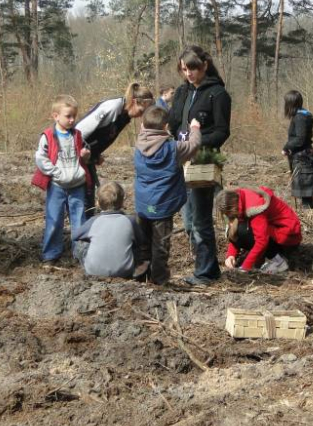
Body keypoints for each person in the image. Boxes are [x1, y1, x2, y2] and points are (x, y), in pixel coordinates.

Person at [168, 45, 232, 287]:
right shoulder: (182, 92)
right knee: (187, 221)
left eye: (193, 68)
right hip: (180, 161)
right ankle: (208, 267)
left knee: (200, 220)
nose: (189, 73)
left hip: (203, 162)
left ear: (204, 65)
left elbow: (222, 131)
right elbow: (174, 123)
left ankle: (205, 272)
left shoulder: (218, 94)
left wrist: (198, 144)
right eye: (184, 69)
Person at [133, 106, 202, 285]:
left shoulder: (138, 145)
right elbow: (193, 146)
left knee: (143, 243)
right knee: (160, 246)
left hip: (142, 204)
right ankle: (160, 281)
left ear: (143, 126)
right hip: (162, 207)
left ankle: (141, 277)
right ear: (165, 127)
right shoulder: (174, 148)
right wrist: (194, 128)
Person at [76, 83, 155, 211]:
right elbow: (79, 132)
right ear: (134, 102)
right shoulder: (112, 108)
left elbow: (100, 137)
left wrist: (96, 155)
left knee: (89, 203)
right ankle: (82, 230)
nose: (141, 116)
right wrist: (83, 152)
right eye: (141, 111)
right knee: (83, 204)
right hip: (77, 158)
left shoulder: (124, 116)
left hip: (88, 158)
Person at [32, 95, 91, 263]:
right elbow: (41, 159)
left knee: (79, 221)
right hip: (57, 185)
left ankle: (80, 254)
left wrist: (86, 156)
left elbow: (83, 157)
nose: (72, 120)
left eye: (74, 116)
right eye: (68, 116)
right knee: (54, 220)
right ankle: (51, 254)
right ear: (55, 116)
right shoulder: (48, 136)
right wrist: (56, 173)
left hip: (77, 185)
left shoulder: (78, 135)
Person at [216, 186, 301, 274]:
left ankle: (278, 261)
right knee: (241, 229)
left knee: (247, 231)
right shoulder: (239, 199)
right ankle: (265, 260)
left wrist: (245, 267)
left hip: (287, 236)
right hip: (274, 230)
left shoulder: (255, 207)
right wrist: (231, 255)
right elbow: (234, 231)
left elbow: (261, 241)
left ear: (232, 208)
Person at [72, 181, 141, 278]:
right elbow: (142, 241)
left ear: (98, 203)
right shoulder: (131, 221)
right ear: (122, 202)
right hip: (125, 272)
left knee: (80, 243)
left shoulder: (93, 221)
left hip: (94, 271)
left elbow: (75, 236)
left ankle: (89, 267)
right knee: (136, 244)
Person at [282, 90, 313, 209]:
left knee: (305, 188)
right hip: (302, 155)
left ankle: (307, 212)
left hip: (303, 157)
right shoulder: (302, 115)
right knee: (304, 187)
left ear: (290, 103)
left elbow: (300, 138)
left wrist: (287, 147)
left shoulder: (300, 117)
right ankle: (306, 209)